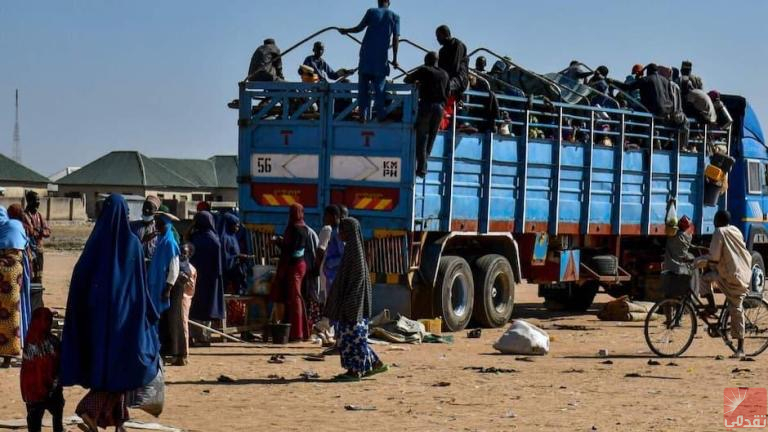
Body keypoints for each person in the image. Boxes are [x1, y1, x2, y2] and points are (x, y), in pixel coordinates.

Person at [60, 194, 160, 432]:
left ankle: (118, 421)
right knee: (126, 367)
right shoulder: (132, 244)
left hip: (97, 322)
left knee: (112, 369)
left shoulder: (95, 244)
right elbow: (140, 286)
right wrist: (149, 313)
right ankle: (90, 408)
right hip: (126, 322)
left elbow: (79, 280)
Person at [324, 218, 387, 381]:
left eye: (343, 231)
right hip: (351, 306)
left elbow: (356, 284)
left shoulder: (355, 255)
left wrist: (349, 305)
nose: (340, 234)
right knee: (353, 337)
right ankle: (374, 364)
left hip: (353, 307)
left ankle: (355, 371)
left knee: (352, 338)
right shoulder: (351, 252)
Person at [695, 210, 751, 358]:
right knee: (706, 277)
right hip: (739, 271)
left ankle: (740, 348)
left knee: (736, 308)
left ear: (718, 221)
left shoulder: (719, 232)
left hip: (734, 277)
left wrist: (697, 261)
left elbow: (714, 257)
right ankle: (712, 306)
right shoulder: (735, 230)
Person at [340, 0, 400, 122]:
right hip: (381, 58)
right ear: (389, 2)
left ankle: (363, 116)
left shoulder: (371, 12)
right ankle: (381, 116)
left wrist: (346, 30)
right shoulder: (395, 16)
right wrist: (394, 59)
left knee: (363, 89)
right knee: (379, 88)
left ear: (378, 1)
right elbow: (396, 39)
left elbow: (358, 28)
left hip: (366, 55)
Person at [405, 51, 449, 177]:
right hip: (440, 108)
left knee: (422, 137)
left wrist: (419, 83)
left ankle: (422, 167)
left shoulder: (424, 70)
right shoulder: (445, 74)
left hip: (426, 106)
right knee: (431, 138)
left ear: (426, 60)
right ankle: (423, 166)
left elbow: (407, 79)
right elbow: (447, 93)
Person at [271, 204, 311, 341]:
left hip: (293, 267)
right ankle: (297, 331)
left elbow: (289, 250)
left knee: (294, 299)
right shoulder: (305, 228)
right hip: (300, 265)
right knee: (295, 298)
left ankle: (297, 333)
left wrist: (277, 242)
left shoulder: (293, 228)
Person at [21, 307, 64, 432]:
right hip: (52, 389)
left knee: (34, 423)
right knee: (57, 420)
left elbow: (26, 371)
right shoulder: (53, 341)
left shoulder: (29, 341)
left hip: (33, 392)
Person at [188, 211, 225, 346]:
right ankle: (204, 337)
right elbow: (220, 265)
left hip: (194, 278)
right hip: (211, 280)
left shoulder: (194, 238)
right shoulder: (214, 239)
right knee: (207, 308)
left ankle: (194, 336)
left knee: (195, 307)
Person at [0, 206, 30, 368]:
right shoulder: (17, 226)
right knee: (12, 313)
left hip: (3, 270)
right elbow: (25, 247)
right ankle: (7, 357)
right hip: (15, 272)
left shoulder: (3, 226)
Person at [7, 204, 32, 355]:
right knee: (18, 307)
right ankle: (20, 340)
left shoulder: (6, 227)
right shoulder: (21, 227)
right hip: (20, 270)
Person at [662, 216, 694, 298]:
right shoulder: (688, 236)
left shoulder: (674, 236)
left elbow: (669, 228)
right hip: (682, 269)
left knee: (669, 293)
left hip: (671, 268)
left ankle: (669, 308)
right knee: (681, 292)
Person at [176, 243, 197, 365]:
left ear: (189, 254)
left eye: (184, 252)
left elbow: (191, 288)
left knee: (183, 324)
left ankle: (184, 354)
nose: (182, 254)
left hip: (184, 298)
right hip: (179, 298)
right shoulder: (180, 265)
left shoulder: (190, 269)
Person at [23, 191, 50, 284]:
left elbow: (48, 231)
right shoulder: (24, 216)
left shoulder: (39, 216)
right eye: (36, 200)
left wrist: (40, 231)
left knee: (39, 274)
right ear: (29, 201)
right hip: (28, 251)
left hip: (38, 250)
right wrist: (35, 232)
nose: (38, 202)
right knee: (29, 274)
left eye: (38, 200)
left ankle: (37, 297)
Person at [436, 25, 469, 98]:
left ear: (445, 34)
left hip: (459, 78)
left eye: (438, 36)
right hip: (446, 77)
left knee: (444, 86)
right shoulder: (442, 51)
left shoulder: (457, 45)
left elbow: (455, 67)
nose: (437, 39)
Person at [220, 213, 248, 294]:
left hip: (236, 271)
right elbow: (224, 258)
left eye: (238, 226)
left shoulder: (232, 237)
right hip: (227, 276)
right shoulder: (224, 239)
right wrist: (237, 256)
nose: (237, 228)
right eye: (235, 226)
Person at [129, 195, 161, 262]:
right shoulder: (132, 226)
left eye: (150, 208)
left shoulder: (158, 229)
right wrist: (143, 240)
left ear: (156, 211)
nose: (146, 210)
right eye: (145, 207)